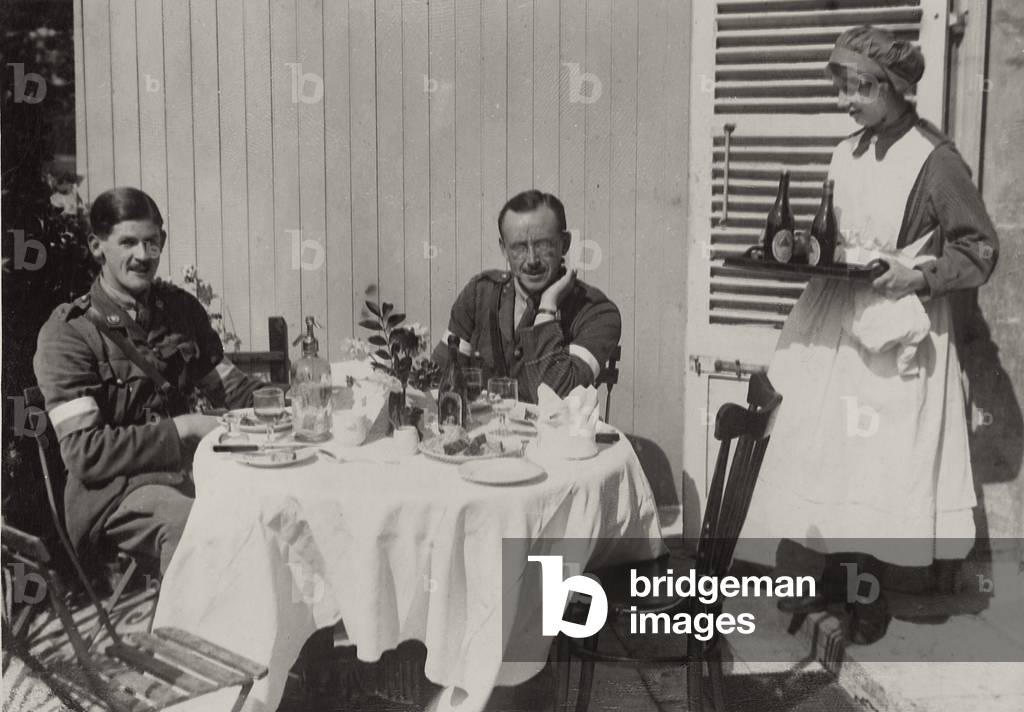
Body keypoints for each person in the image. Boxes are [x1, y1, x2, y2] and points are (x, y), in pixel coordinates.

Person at [740, 27, 999, 642]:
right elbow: (838, 233)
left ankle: (866, 604)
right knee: (823, 458)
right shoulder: (847, 151)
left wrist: (922, 274)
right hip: (831, 317)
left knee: (875, 469)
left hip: (891, 327)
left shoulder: (935, 160)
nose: (845, 101)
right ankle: (828, 590)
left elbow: (980, 248)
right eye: (843, 87)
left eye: (859, 88)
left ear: (897, 87)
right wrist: (801, 250)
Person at [33, 187, 264, 574]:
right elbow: (85, 453)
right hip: (115, 495)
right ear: (96, 246)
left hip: (192, 476)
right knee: (203, 530)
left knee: (277, 511)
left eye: (151, 243)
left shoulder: (181, 310)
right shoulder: (68, 333)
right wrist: (184, 428)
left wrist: (301, 400)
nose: (142, 256)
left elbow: (231, 387)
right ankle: (191, 634)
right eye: (128, 242)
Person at [431, 189, 621, 403]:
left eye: (543, 245)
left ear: (565, 244)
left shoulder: (596, 312)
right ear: (504, 249)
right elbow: (438, 377)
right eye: (519, 247)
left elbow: (556, 396)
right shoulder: (479, 294)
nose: (532, 260)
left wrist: (547, 307)